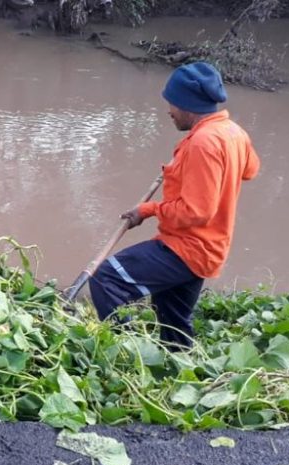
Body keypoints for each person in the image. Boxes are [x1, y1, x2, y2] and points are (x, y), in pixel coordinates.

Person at [88, 62, 260, 349]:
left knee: (106, 280)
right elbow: (250, 169)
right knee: (173, 325)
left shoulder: (203, 143)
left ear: (188, 105)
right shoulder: (233, 132)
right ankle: (178, 368)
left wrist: (149, 209)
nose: (169, 110)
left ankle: (127, 353)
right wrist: (184, 171)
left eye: (172, 103)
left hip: (186, 248)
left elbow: (197, 211)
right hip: (210, 250)